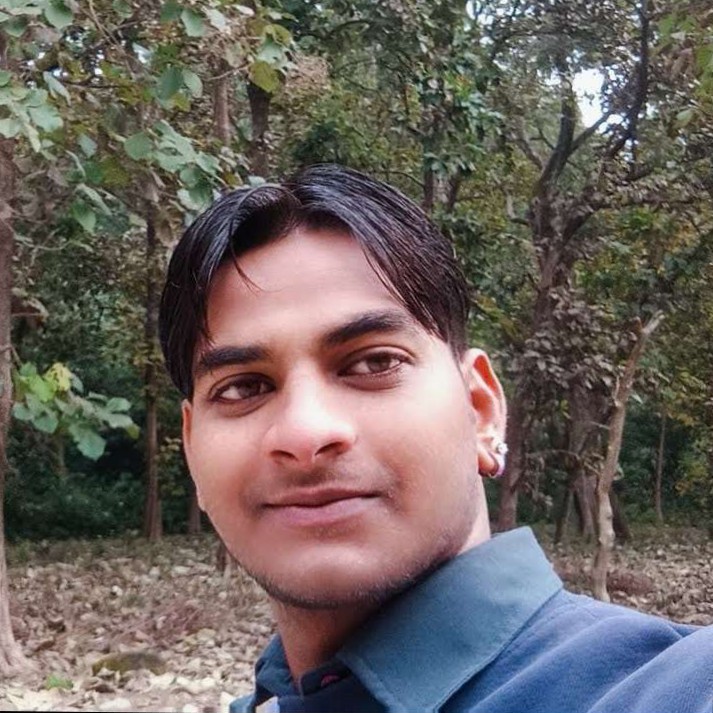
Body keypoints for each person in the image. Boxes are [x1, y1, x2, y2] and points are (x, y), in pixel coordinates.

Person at [159, 165, 713, 713]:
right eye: (243, 388)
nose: (306, 433)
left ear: (481, 411)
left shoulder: (666, 687)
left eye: (374, 362)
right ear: (192, 450)